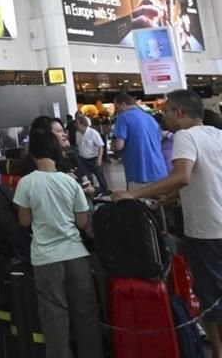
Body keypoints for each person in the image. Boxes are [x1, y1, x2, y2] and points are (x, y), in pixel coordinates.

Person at [114, 89, 222, 358]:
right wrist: (164, 200)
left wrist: (133, 193)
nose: (164, 117)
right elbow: (202, 179)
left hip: (206, 230)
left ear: (180, 113)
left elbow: (183, 176)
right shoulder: (216, 134)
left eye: (166, 111)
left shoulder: (184, 136)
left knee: (210, 297)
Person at [13, 131, 103, 358]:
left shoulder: (26, 183)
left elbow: (24, 221)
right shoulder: (69, 181)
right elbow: (83, 222)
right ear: (56, 152)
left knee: (54, 319)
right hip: (76, 256)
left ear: (32, 153)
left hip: (45, 259)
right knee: (86, 316)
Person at [110, 92, 168, 188]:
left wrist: (113, 146)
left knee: (139, 202)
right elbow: (160, 137)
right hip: (159, 171)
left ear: (123, 105)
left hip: (139, 173)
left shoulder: (123, 117)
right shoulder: (150, 118)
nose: (117, 111)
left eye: (117, 107)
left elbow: (119, 145)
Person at [74, 115, 108, 192]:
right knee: (87, 178)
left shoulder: (93, 133)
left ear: (82, 124)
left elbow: (100, 146)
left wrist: (99, 159)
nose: (75, 125)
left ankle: (105, 191)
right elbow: (78, 145)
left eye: (77, 123)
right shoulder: (77, 133)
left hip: (94, 158)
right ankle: (92, 192)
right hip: (83, 159)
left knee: (100, 176)